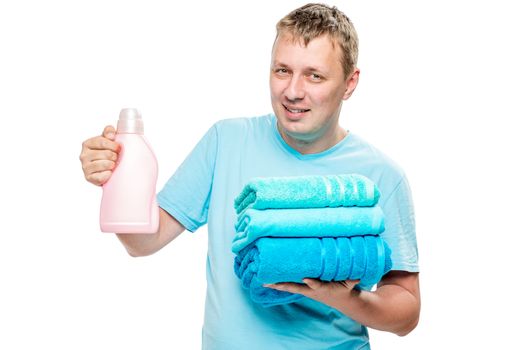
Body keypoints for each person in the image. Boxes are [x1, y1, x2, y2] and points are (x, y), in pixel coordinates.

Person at [79, 3, 420, 349]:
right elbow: (142, 243)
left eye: (314, 75)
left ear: (350, 83)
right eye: (282, 70)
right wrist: (116, 179)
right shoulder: (227, 142)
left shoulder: (380, 176)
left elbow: (406, 314)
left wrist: (340, 297)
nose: (293, 91)